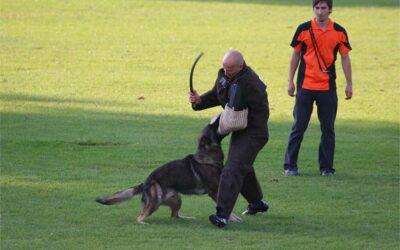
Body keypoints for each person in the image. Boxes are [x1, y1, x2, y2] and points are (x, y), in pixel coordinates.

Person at [189, 50, 270, 228]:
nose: (225, 71)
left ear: (241, 66)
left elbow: (234, 113)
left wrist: (218, 131)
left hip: (253, 132)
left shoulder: (249, 84)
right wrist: (199, 100)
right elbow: (217, 95)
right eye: (224, 67)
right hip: (237, 124)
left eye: (230, 69)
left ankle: (222, 215)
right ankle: (257, 203)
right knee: (243, 166)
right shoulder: (226, 75)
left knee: (233, 168)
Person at [283, 0, 353, 177]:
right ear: (313, 9)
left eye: (324, 8)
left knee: (328, 129)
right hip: (305, 86)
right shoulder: (303, 29)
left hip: (328, 88)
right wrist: (290, 81)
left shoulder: (339, 32)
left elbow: (345, 58)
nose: (320, 11)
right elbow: (295, 55)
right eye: (317, 8)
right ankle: (290, 166)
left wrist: (349, 84)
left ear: (330, 10)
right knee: (298, 127)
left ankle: (327, 168)